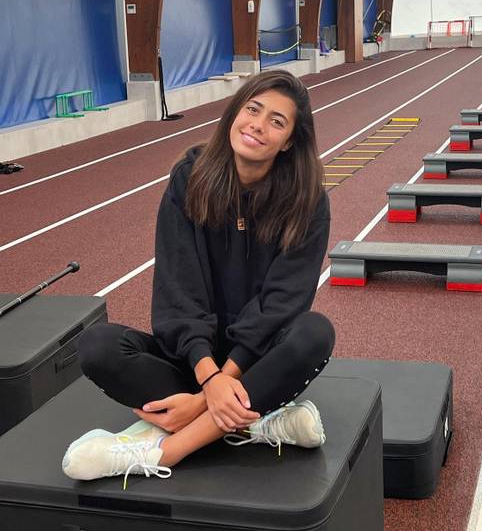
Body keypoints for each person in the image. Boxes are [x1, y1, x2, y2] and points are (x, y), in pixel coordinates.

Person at [62, 70, 335, 486]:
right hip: (192, 363)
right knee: (97, 346)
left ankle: (165, 447)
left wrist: (220, 385)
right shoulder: (190, 178)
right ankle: (253, 423)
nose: (258, 126)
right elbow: (178, 290)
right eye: (253, 109)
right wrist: (208, 380)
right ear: (235, 112)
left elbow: (282, 303)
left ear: (290, 140)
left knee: (314, 333)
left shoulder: (307, 201)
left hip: (258, 361)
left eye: (276, 122)